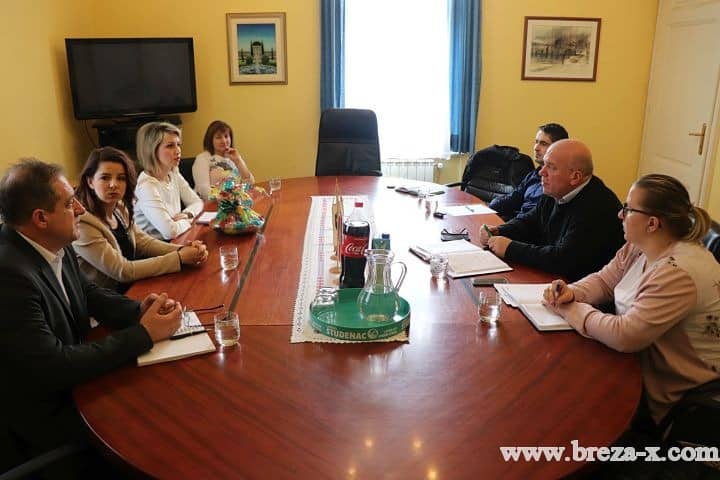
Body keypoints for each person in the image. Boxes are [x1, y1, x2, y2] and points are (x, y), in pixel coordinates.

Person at [0, 158, 183, 475]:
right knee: (159, 427)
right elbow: (54, 366)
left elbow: (88, 293)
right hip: (48, 415)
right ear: (41, 218)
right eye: (70, 203)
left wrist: (138, 309)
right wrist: (143, 334)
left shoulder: (52, 241)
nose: (81, 209)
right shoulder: (8, 274)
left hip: (78, 385)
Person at [542, 174, 720, 461]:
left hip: (674, 389)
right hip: (635, 363)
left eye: (627, 208)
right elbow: (605, 281)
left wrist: (571, 310)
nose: (620, 214)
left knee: (567, 411)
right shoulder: (639, 246)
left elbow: (625, 335)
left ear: (652, 223)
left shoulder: (678, 271)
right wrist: (572, 292)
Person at [479, 139, 624, 282]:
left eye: (551, 167)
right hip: (556, 279)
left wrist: (510, 248)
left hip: (580, 286)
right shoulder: (556, 190)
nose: (541, 172)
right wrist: (500, 231)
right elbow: (530, 221)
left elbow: (563, 260)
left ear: (575, 177)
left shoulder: (597, 207)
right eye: (544, 165)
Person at [73, 147, 209, 292]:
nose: (114, 184)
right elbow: (122, 271)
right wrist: (179, 258)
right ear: (90, 181)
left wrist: (184, 249)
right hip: (109, 298)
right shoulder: (82, 222)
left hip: (135, 285)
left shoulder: (119, 207)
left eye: (121, 178)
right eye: (105, 178)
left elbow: (143, 243)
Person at [134, 121, 204, 240]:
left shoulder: (173, 173)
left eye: (178, 144)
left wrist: (187, 214)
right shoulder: (146, 186)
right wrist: (190, 221)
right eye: (170, 146)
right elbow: (170, 232)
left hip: (176, 239)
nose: (178, 151)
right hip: (154, 248)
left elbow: (197, 202)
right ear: (152, 150)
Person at [488, 123, 569, 221]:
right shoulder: (534, 174)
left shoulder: (558, 183)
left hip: (526, 226)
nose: (536, 148)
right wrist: (488, 209)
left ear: (557, 149)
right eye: (536, 142)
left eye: (543, 144)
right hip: (515, 222)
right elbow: (513, 198)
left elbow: (534, 220)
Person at [193, 120, 255, 200]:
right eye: (218, 137)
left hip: (235, 202)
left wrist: (238, 161)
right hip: (211, 204)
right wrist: (225, 198)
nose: (224, 141)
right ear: (210, 140)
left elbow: (250, 184)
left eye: (226, 136)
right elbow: (203, 190)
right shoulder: (202, 158)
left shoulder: (233, 156)